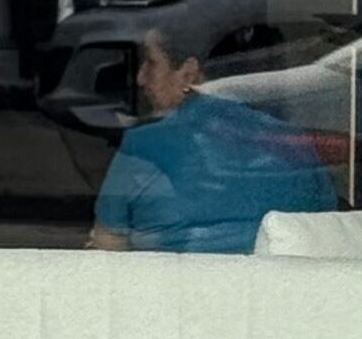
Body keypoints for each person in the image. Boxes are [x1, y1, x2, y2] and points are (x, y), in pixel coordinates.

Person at [89, 27, 338, 253]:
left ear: (188, 74)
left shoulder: (143, 146)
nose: (140, 78)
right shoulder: (296, 145)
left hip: (176, 295)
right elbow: (322, 233)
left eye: (151, 64)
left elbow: (108, 248)